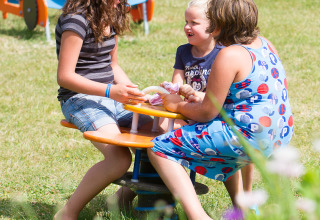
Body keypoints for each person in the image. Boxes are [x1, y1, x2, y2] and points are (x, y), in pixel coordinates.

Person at [147, 0, 294, 219]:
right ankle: (242, 207)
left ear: (218, 25)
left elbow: (208, 112)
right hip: (278, 135)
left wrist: (175, 104)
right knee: (218, 139)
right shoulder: (265, 44)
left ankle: (198, 216)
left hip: (248, 136)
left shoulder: (229, 54)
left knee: (159, 148)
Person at [54, 0, 152, 219]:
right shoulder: (76, 19)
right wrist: (110, 91)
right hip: (79, 98)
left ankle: (121, 199)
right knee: (119, 159)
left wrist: (137, 95)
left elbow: (112, 66)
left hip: (111, 95)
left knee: (159, 137)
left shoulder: (112, 13)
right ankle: (67, 213)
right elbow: (65, 76)